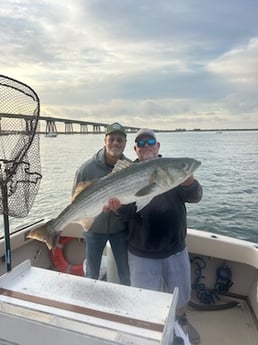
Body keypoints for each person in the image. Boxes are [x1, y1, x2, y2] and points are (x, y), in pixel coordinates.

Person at [105, 128, 202, 344]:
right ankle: (148, 334)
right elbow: (129, 212)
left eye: (151, 141)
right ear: (136, 150)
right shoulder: (128, 172)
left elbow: (195, 196)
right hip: (141, 252)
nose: (146, 145)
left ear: (158, 147)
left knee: (181, 296)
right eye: (141, 143)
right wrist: (118, 208)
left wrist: (189, 181)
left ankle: (180, 325)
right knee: (144, 299)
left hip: (175, 248)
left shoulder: (171, 169)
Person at [72, 122, 131, 285]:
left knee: (126, 274)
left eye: (120, 140)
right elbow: (75, 200)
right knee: (91, 274)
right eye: (112, 139)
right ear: (104, 140)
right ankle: (90, 306)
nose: (115, 143)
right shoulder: (86, 169)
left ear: (125, 143)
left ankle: (127, 306)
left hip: (120, 230)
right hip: (94, 230)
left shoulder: (131, 168)